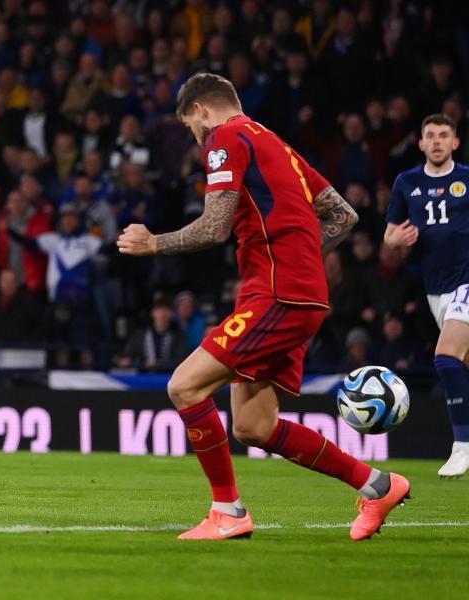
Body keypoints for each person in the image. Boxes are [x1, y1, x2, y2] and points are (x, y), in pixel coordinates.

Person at [117, 73, 409, 541]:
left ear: (202, 110)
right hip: (296, 291)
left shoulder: (226, 136)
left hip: (278, 292)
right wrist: (305, 258)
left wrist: (155, 243)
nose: (198, 140)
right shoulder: (277, 145)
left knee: (184, 387)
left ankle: (228, 512)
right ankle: (377, 485)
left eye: (193, 128)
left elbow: (215, 226)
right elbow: (343, 215)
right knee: (254, 426)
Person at [383, 113, 469, 477]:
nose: (436, 141)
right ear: (420, 144)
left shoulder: (466, 179)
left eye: (443, 135)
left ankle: (462, 446)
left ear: (455, 143)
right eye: (430, 135)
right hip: (436, 290)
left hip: (467, 281)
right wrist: (396, 241)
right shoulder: (407, 182)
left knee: (446, 358)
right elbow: (389, 236)